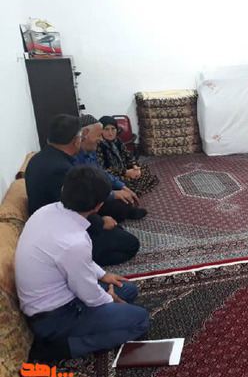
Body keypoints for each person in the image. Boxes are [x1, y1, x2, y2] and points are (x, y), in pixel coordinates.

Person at [16, 166, 149, 360]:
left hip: (55, 300)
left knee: (129, 290)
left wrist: (103, 275)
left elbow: (78, 263)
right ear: (99, 206)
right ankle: (63, 347)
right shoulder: (74, 242)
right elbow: (90, 295)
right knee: (140, 320)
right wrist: (110, 299)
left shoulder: (46, 211)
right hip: (54, 317)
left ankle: (94, 322)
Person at [25, 114, 140, 266]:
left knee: (117, 225)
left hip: (56, 221)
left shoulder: (44, 157)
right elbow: (70, 209)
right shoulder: (60, 169)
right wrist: (100, 223)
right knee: (130, 243)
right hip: (58, 234)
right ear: (76, 140)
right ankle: (76, 262)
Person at [75, 114, 148, 222]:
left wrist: (121, 186)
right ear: (86, 134)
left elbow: (100, 172)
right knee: (118, 205)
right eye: (99, 135)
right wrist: (112, 194)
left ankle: (126, 209)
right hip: (88, 195)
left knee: (124, 185)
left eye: (113, 129)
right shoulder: (75, 156)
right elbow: (85, 188)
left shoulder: (91, 149)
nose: (101, 139)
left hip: (98, 184)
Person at [97, 116, 159, 196]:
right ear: (101, 131)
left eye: (113, 129)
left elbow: (128, 156)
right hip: (113, 176)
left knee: (144, 168)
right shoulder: (98, 146)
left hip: (125, 169)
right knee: (123, 183)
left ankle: (133, 188)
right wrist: (125, 172)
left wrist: (134, 166)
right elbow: (102, 170)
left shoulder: (117, 141)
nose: (110, 133)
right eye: (106, 129)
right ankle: (132, 189)